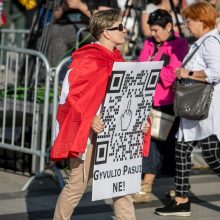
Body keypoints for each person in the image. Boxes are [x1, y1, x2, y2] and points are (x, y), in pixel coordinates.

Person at [50, 8, 150, 220]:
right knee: (76, 185)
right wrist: (88, 120)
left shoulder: (116, 59)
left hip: (114, 131)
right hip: (89, 132)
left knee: (120, 187)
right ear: (106, 32)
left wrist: (139, 120)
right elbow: (70, 98)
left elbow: (126, 98)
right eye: (120, 27)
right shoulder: (88, 59)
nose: (125, 31)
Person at [155, 1, 220, 216]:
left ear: (201, 20)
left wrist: (187, 74)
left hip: (206, 108)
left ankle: (182, 199)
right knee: (181, 150)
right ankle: (181, 200)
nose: (186, 25)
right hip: (194, 107)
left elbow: (216, 72)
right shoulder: (200, 41)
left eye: (189, 21)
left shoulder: (210, 41)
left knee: (211, 154)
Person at [132, 9, 188, 203]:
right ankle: (147, 187)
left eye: (156, 30)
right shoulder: (149, 43)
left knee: (168, 147)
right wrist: (158, 67)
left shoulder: (180, 44)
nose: (153, 34)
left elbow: (170, 75)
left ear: (169, 27)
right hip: (148, 101)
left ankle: (174, 187)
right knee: (151, 144)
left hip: (168, 102)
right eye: (151, 30)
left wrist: (152, 68)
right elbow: (141, 67)